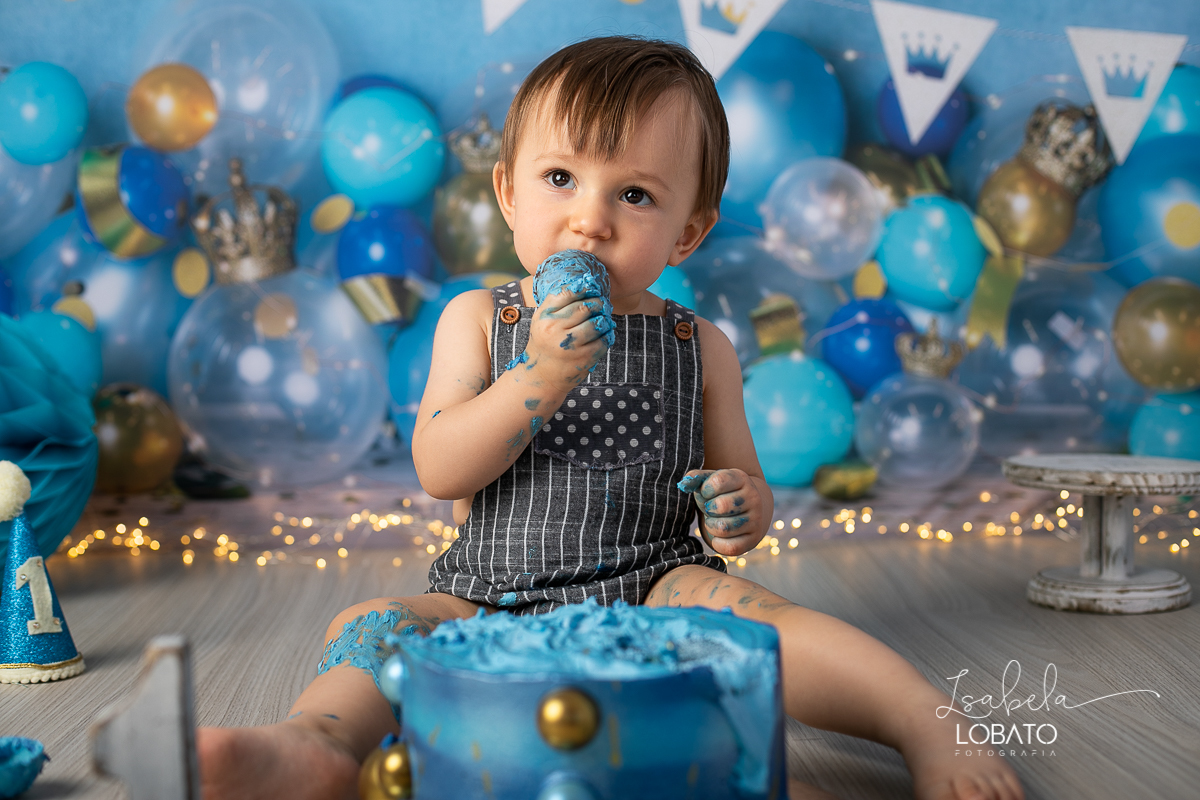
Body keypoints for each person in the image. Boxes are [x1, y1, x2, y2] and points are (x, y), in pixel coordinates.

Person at [198, 36, 1024, 800]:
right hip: (489, 596)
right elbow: (440, 470)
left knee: (765, 623)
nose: (590, 217)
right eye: (560, 179)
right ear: (507, 193)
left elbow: (744, 501)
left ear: (688, 232)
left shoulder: (698, 345)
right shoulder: (479, 322)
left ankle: (924, 721)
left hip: (653, 584)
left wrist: (738, 506)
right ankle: (315, 747)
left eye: (634, 194)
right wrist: (542, 373)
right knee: (370, 627)